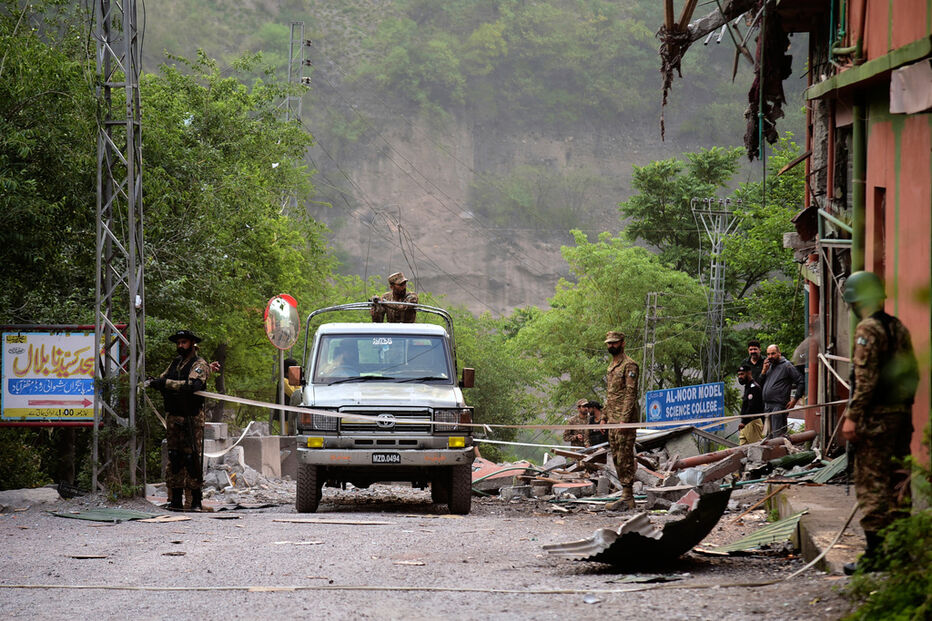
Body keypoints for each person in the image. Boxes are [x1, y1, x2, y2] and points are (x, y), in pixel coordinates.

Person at [840, 271, 918, 574]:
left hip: (875, 421)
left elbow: (866, 379)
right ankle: (901, 551)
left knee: (872, 484)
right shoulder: (898, 327)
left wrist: (853, 416)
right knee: (899, 481)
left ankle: (876, 555)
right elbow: (911, 375)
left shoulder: (868, 329)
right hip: (900, 417)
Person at [147, 330, 220, 511]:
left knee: (191, 457)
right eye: (178, 342)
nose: (180, 346)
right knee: (174, 457)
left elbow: (193, 386)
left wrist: (167, 384)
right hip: (173, 415)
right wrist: (158, 383)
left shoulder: (199, 364)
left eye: (184, 342)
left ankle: (195, 500)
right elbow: (161, 380)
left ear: (192, 344)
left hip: (191, 417)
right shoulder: (175, 363)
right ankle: (176, 499)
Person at [603, 330, 639, 510]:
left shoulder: (629, 365)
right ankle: (625, 495)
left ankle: (628, 496)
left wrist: (625, 420)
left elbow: (631, 394)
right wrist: (603, 417)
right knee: (616, 456)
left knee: (625, 455)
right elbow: (610, 395)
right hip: (612, 419)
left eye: (614, 343)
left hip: (624, 420)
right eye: (609, 343)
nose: (611, 346)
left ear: (623, 343)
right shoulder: (611, 366)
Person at [759, 343, 803, 438]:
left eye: (773, 353)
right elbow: (760, 384)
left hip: (778, 406)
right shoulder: (769, 366)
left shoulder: (787, 366)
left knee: (778, 436)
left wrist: (794, 400)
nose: (770, 356)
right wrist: (763, 372)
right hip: (767, 406)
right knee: (767, 437)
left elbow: (801, 381)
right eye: (768, 354)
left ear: (779, 353)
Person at [737, 363, 764, 445]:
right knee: (742, 450)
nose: (740, 377)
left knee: (756, 448)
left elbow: (752, 407)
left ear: (749, 373)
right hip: (746, 424)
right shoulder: (748, 387)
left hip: (753, 422)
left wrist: (744, 422)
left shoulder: (754, 387)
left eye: (742, 374)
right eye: (738, 375)